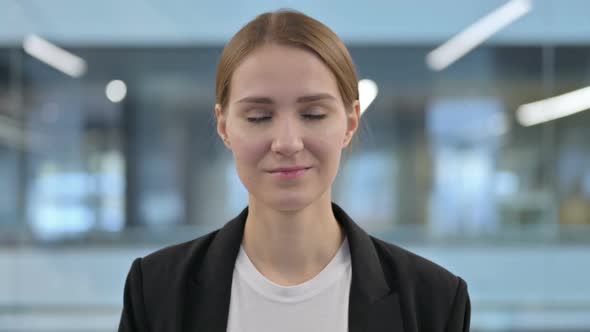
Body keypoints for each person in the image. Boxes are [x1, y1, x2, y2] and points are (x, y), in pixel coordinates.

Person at [118, 9, 470, 332]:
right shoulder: (155, 290)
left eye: (313, 114)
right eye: (259, 117)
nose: (287, 142)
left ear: (350, 123)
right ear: (224, 127)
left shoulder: (433, 301)